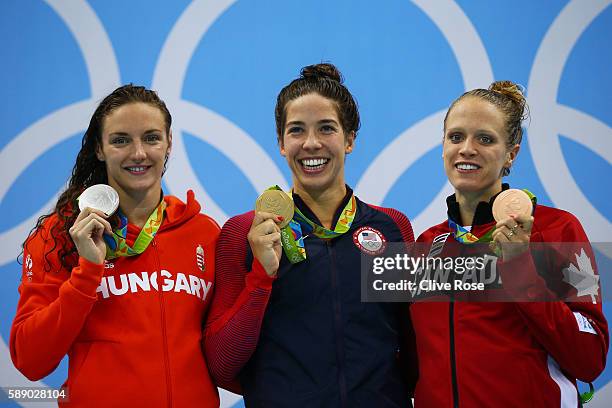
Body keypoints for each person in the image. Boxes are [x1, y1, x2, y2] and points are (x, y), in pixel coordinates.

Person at [205, 63, 416, 407]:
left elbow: (414, 351)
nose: (311, 143)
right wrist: (262, 278)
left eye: (327, 129)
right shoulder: (245, 233)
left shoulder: (389, 228)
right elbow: (222, 364)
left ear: (349, 139)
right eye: (297, 130)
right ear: (281, 143)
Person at [10, 85, 220, 407]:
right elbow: (29, 359)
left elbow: (226, 351)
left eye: (151, 138)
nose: (138, 153)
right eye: (121, 140)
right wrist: (87, 274)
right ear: (99, 148)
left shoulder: (202, 233)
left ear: (169, 145)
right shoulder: (62, 235)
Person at [409, 81, 609, 407]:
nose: (467, 149)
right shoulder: (429, 244)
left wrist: (520, 267)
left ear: (510, 154)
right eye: (455, 137)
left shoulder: (557, 230)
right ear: (443, 147)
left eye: (485, 139)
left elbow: (590, 357)